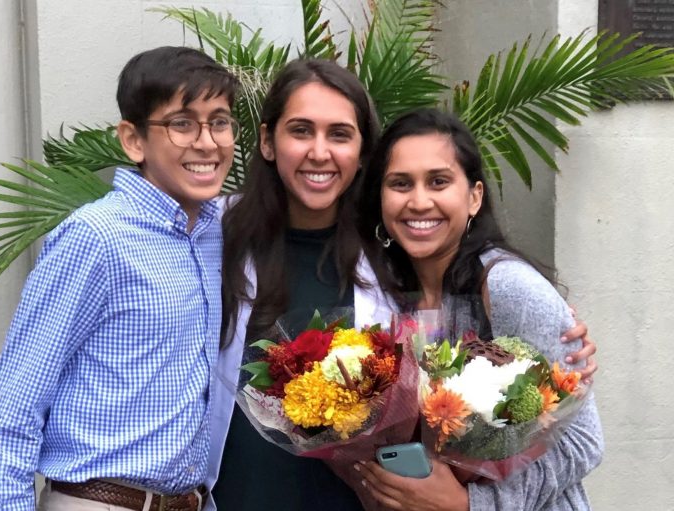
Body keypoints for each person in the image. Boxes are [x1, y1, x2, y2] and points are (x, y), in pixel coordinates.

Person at [207, 60, 596, 511]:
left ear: (360, 153)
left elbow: (576, 435)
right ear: (267, 141)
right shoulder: (212, 240)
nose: (319, 151)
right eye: (300, 130)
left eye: (339, 133)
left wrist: (471, 503)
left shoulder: (389, 263)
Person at [0, 46, 239, 511]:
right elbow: (12, 410)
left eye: (219, 122)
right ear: (133, 140)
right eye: (182, 123)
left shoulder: (215, 234)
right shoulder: (96, 238)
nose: (208, 142)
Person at [354, 108, 604, 510]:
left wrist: (473, 504)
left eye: (438, 181)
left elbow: (583, 442)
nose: (419, 201)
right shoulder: (391, 297)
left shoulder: (507, 286)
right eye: (400, 184)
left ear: (474, 196)